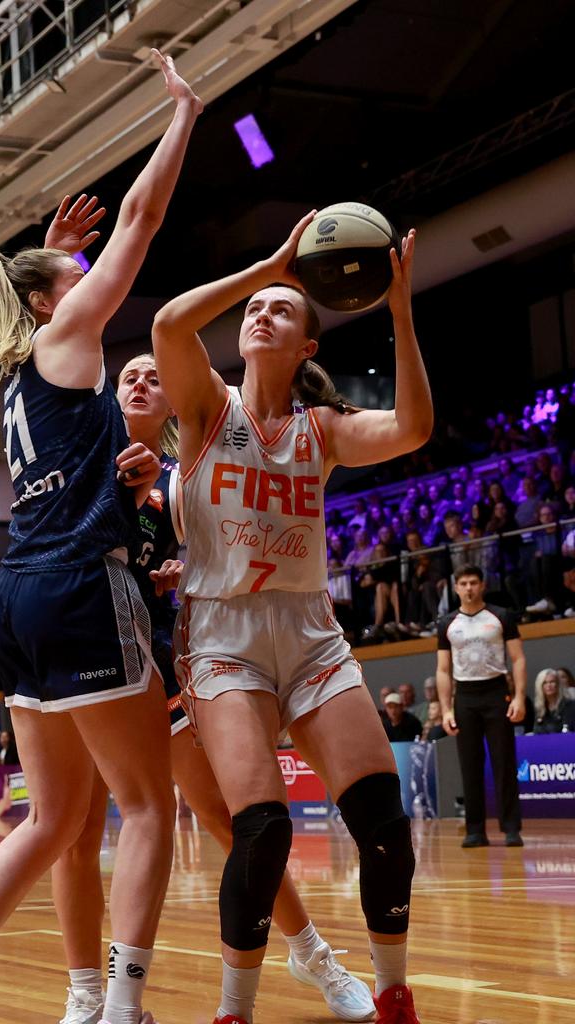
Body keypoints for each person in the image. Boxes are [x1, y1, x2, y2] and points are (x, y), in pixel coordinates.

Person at [0, 51, 202, 1024]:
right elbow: (143, 221)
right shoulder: (68, 340)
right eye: (75, 272)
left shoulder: (24, 378)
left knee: (57, 816)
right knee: (145, 806)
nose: (92, 274)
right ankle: (121, 1010)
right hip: (78, 585)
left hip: (17, 597)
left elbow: (49, 281)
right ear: (49, 300)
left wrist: (41, 250)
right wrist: (182, 113)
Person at [153, 214, 430, 1023]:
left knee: (384, 824)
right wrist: (268, 266)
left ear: (309, 345)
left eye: (281, 308)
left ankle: (393, 993)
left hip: (310, 638)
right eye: (254, 308)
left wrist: (401, 312)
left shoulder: (324, 430)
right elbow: (172, 322)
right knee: (264, 828)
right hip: (223, 641)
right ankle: (234, 1010)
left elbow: (412, 428)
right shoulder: (207, 409)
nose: (261, 312)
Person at [53, 353, 374, 1024]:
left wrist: (178, 574)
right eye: (128, 377)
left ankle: (312, 953)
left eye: (154, 376)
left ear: (176, 403)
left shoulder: (181, 482)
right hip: (73, 657)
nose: (141, 382)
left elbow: (221, 554)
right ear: (110, 397)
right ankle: (86, 994)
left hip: (153, 665)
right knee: (74, 835)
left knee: (232, 822)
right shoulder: (79, 456)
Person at [435, 565, 526, 849]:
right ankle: (475, 830)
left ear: (482, 585)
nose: (469, 588)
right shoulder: (446, 623)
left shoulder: (501, 616)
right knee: (470, 765)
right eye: (463, 583)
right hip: (465, 697)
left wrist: (520, 697)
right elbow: (442, 670)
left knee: (504, 762)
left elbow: (518, 659)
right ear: (456, 588)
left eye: (473, 582)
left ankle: (511, 828)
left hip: (495, 692)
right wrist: (446, 709)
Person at [532, 669, 573, 734]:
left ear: (558, 684)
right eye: (545, 683)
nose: (549, 685)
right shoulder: (538, 708)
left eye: (552, 682)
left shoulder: (569, 705)